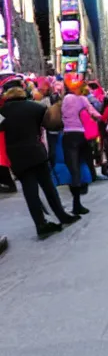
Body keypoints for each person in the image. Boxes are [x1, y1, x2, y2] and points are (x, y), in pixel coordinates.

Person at [0, 77, 81, 239]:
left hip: (17, 157)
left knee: (30, 192)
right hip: (37, 153)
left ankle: (40, 224)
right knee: (48, 187)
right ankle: (62, 215)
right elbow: (53, 125)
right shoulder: (36, 108)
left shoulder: (2, 113)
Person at [61, 74, 102, 215]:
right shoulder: (83, 99)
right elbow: (94, 112)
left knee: (73, 169)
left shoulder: (65, 99)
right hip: (81, 135)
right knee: (82, 164)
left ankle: (75, 203)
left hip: (68, 135)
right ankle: (78, 200)